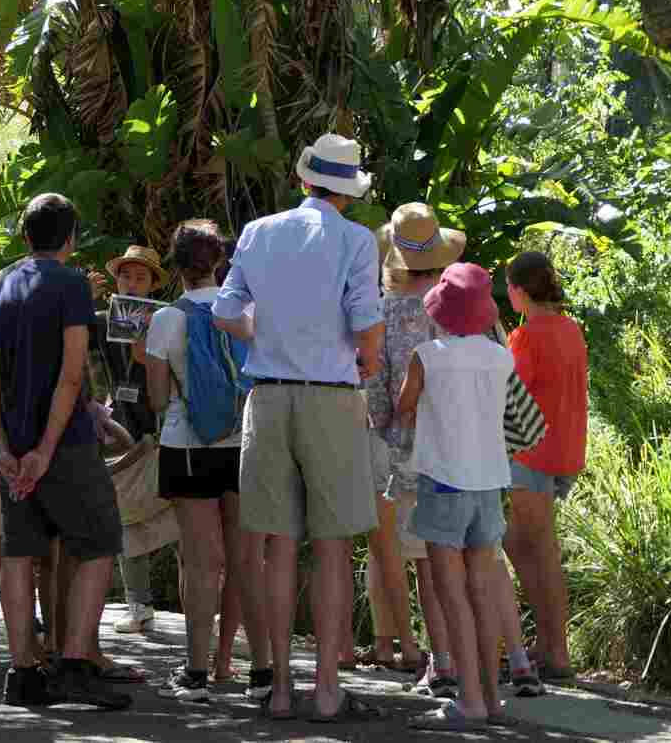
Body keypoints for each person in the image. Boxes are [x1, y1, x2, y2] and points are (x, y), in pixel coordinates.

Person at [213, 134, 384, 722]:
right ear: (348, 192)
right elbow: (365, 321)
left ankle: (282, 688)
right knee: (332, 547)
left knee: (278, 547)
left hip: (266, 398)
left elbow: (225, 312)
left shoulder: (258, 231)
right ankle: (328, 689)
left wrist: (263, 335)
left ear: (305, 179)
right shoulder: (356, 240)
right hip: (330, 398)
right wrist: (368, 358)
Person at [0, 192, 132, 711]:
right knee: (99, 543)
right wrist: (45, 448)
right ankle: (75, 664)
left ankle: (22, 672)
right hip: (65, 445)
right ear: (71, 238)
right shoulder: (71, 284)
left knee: (19, 553)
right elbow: (71, 373)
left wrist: (3, 447)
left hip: (12, 447)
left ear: (24, 236)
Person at [395, 261, 544, 730]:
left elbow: (404, 407)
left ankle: (470, 701)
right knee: (481, 591)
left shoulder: (426, 355)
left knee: (451, 594)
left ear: (441, 311)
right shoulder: (501, 357)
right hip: (489, 484)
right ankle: (492, 701)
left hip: (444, 482)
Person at [144, 220, 272, 704]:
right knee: (247, 561)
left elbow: (157, 399)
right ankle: (262, 672)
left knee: (201, 563)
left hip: (187, 447)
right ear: (220, 260)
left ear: (175, 265)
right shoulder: (246, 310)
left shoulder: (166, 319)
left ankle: (196, 672)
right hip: (245, 444)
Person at [361, 204, 457, 687]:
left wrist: (387, 429)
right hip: (451, 450)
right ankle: (454, 654)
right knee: (442, 559)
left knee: (398, 554)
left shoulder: (381, 313)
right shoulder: (454, 310)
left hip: (396, 448)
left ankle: (416, 650)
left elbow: (376, 391)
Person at [503, 252, 587, 683]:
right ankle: (546, 642)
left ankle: (558, 652)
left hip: (532, 452)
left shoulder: (525, 337)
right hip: (565, 449)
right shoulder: (571, 329)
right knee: (518, 543)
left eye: (509, 288)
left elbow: (508, 394)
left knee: (540, 549)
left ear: (520, 291)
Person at [97, 245, 170, 635]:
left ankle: (209, 608)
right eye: (126, 275)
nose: (132, 283)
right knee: (124, 515)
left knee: (181, 518)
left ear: (153, 284)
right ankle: (139, 605)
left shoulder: (166, 319)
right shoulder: (101, 320)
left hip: (161, 428)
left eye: (141, 277)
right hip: (122, 431)